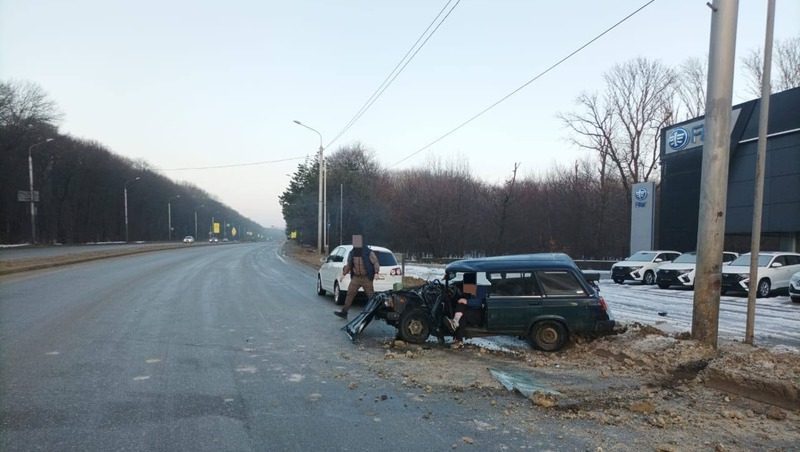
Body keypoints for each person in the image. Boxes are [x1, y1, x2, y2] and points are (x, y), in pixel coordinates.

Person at [334, 234, 380, 319]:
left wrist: (376, 272)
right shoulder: (352, 252)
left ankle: (376, 313)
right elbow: (349, 265)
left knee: (371, 296)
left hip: (366, 278)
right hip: (356, 278)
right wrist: (343, 274)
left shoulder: (368, 252)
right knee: (350, 294)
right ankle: (344, 312)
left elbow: (375, 262)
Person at [445, 273, 483, 343]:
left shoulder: (480, 288)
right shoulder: (469, 287)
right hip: (471, 310)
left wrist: (466, 301)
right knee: (460, 304)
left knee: (463, 316)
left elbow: (479, 302)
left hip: (478, 313)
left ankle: (458, 339)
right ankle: (455, 322)